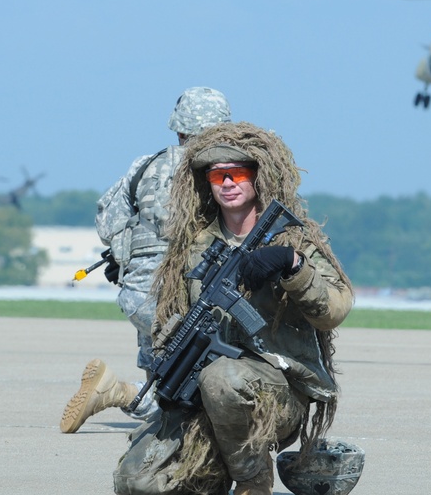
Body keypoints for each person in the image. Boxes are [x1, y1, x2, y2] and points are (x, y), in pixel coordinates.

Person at [113, 121, 353, 495]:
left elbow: (336, 309)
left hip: (277, 392)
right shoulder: (192, 247)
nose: (227, 183)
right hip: (206, 397)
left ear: (258, 177)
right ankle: (214, 470)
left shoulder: (291, 239)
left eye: (237, 173)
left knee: (224, 378)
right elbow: (171, 315)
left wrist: (291, 264)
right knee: (137, 481)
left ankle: (253, 480)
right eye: (216, 176)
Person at [60, 87, 232, 433]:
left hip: (138, 293)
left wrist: (126, 256)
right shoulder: (223, 173)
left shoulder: (146, 164)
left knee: (166, 387)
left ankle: (124, 394)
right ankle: (117, 391)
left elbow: (108, 220)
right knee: (197, 395)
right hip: (186, 300)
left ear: (178, 128)